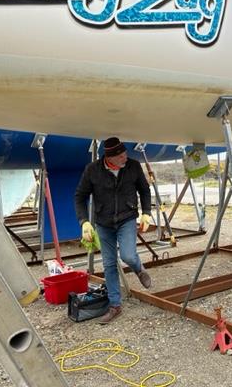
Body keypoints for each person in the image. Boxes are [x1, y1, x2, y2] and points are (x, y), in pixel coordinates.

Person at [74, 137, 153, 323]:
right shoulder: (92, 170)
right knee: (109, 265)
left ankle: (139, 270)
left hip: (127, 218)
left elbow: (144, 190)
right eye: (121, 155)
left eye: (125, 153)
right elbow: (79, 196)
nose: (125, 157)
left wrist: (147, 213)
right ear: (110, 158)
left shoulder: (133, 166)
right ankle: (115, 305)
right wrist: (84, 222)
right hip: (103, 223)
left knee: (128, 256)